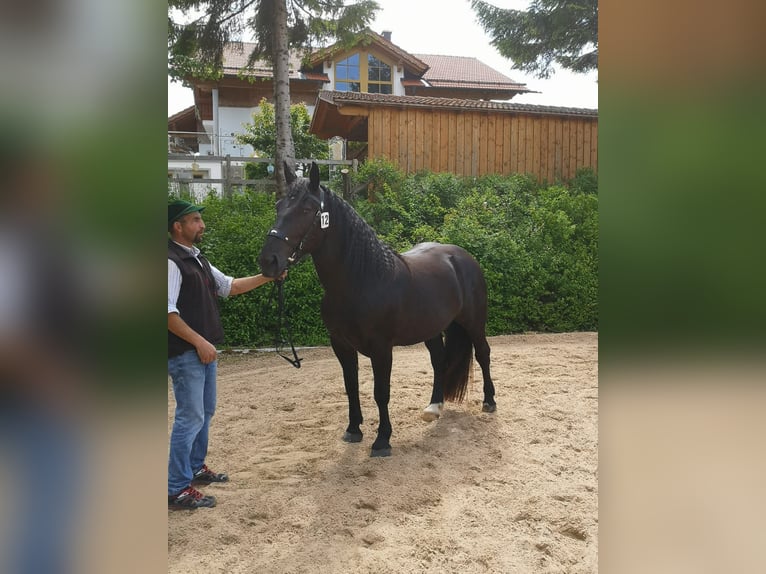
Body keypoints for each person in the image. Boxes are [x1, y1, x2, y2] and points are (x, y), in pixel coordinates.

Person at [167, 199, 282, 510]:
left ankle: (195, 468)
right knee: (189, 418)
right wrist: (200, 343)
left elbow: (229, 287)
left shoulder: (197, 259)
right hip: (186, 353)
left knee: (205, 412)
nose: (202, 225)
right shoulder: (170, 261)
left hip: (202, 353)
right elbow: (167, 313)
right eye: (194, 220)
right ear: (178, 227)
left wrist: (267, 277)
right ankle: (176, 488)